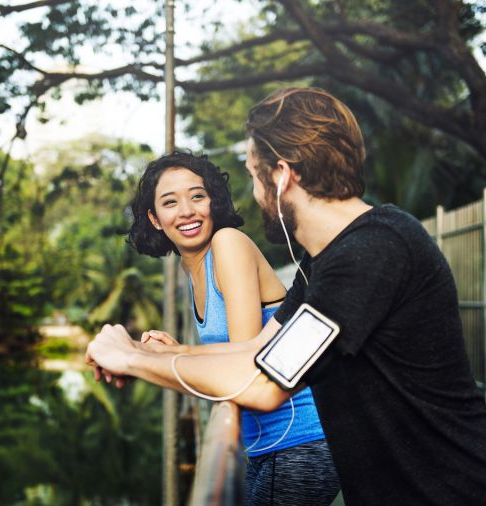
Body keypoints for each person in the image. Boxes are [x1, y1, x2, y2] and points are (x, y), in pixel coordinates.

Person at [86, 87, 486, 505]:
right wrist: (163, 353)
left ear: (280, 177)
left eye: (254, 177)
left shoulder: (373, 251)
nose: (255, 194)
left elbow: (261, 385)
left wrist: (130, 360)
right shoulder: (325, 262)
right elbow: (258, 352)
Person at [127, 151, 339, 505]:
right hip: (262, 446)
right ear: (154, 218)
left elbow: (245, 365)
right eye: (170, 202)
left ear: (213, 201)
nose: (187, 211)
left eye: (197, 196)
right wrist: (177, 349)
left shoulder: (228, 244)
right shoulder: (191, 270)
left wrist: (165, 357)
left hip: (299, 439)